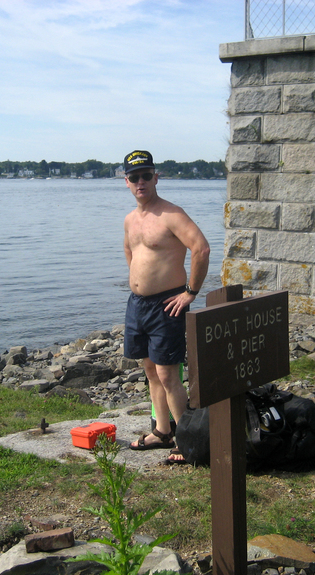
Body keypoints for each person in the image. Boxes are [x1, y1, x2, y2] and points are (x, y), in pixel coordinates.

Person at [122, 150, 210, 463]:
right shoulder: (130, 219)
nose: (141, 182)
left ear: (156, 178)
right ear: (126, 182)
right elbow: (131, 252)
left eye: (146, 175)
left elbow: (201, 249)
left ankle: (187, 441)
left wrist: (190, 292)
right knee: (150, 370)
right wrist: (140, 284)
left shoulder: (172, 214)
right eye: (134, 177)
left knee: (168, 374)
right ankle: (162, 431)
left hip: (167, 305)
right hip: (138, 305)